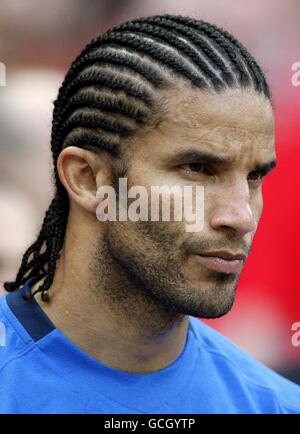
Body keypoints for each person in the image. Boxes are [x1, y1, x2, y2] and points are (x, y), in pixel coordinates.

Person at [1, 14, 299, 414]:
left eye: (254, 176)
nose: (240, 217)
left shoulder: (274, 404)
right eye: (197, 169)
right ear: (88, 179)